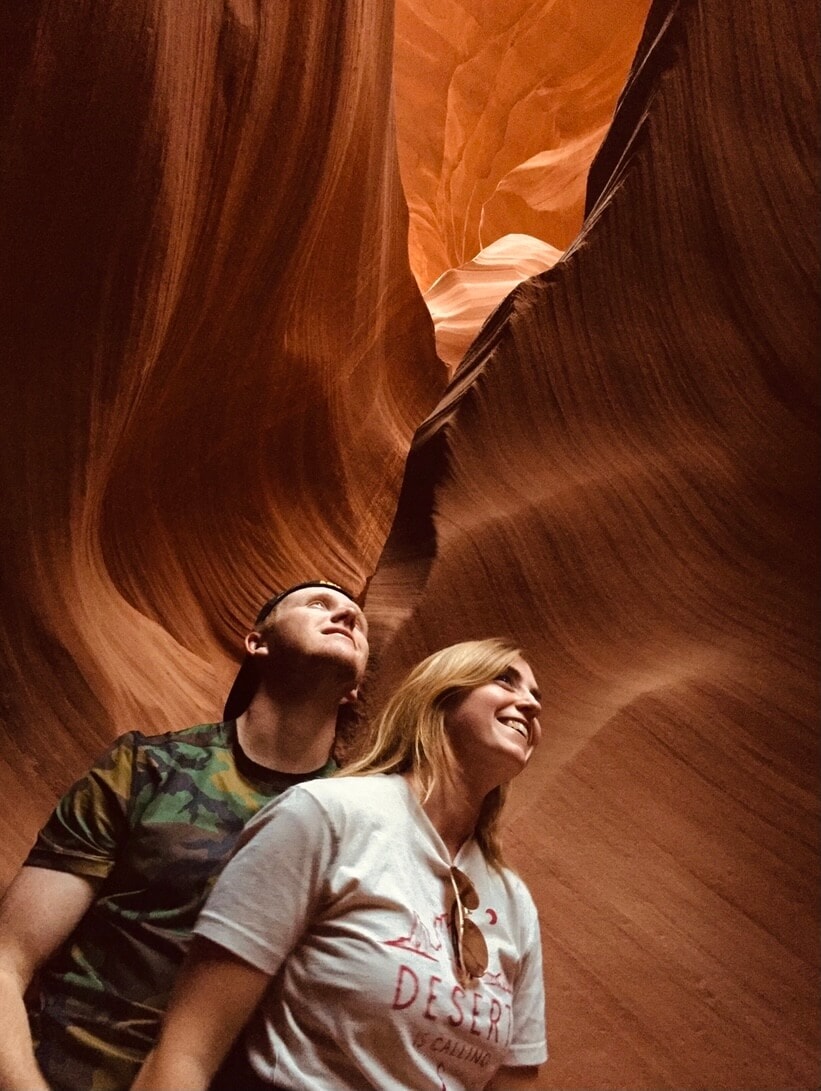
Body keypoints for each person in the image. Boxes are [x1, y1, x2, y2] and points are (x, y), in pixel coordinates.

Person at [0, 580, 369, 1091]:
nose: (346, 617)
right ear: (256, 643)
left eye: (357, 619)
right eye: (319, 605)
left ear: (354, 688)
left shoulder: (364, 827)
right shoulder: (147, 768)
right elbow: (8, 958)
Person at [135, 638, 548, 1091]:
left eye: (536, 697)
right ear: (439, 695)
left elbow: (513, 1079)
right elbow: (187, 1050)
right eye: (505, 681)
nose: (529, 704)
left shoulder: (514, 902)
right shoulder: (328, 816)